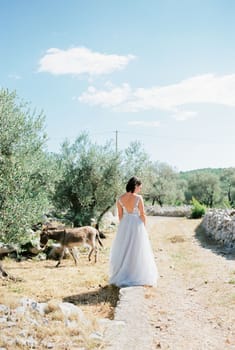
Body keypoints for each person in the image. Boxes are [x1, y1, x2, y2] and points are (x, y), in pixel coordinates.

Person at [109, 176, 158, 287]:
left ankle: (124, 272)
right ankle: (135, 274)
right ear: (135, 186)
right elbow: (142, 214)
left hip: (125, 224)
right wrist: (144, 228)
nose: (140, 190)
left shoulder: (120, 199)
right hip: (137, 224)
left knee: (125, 249)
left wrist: (124, 227)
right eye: (139, 187)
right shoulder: (138, 198)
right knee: (137, 250)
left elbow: (120, 216)